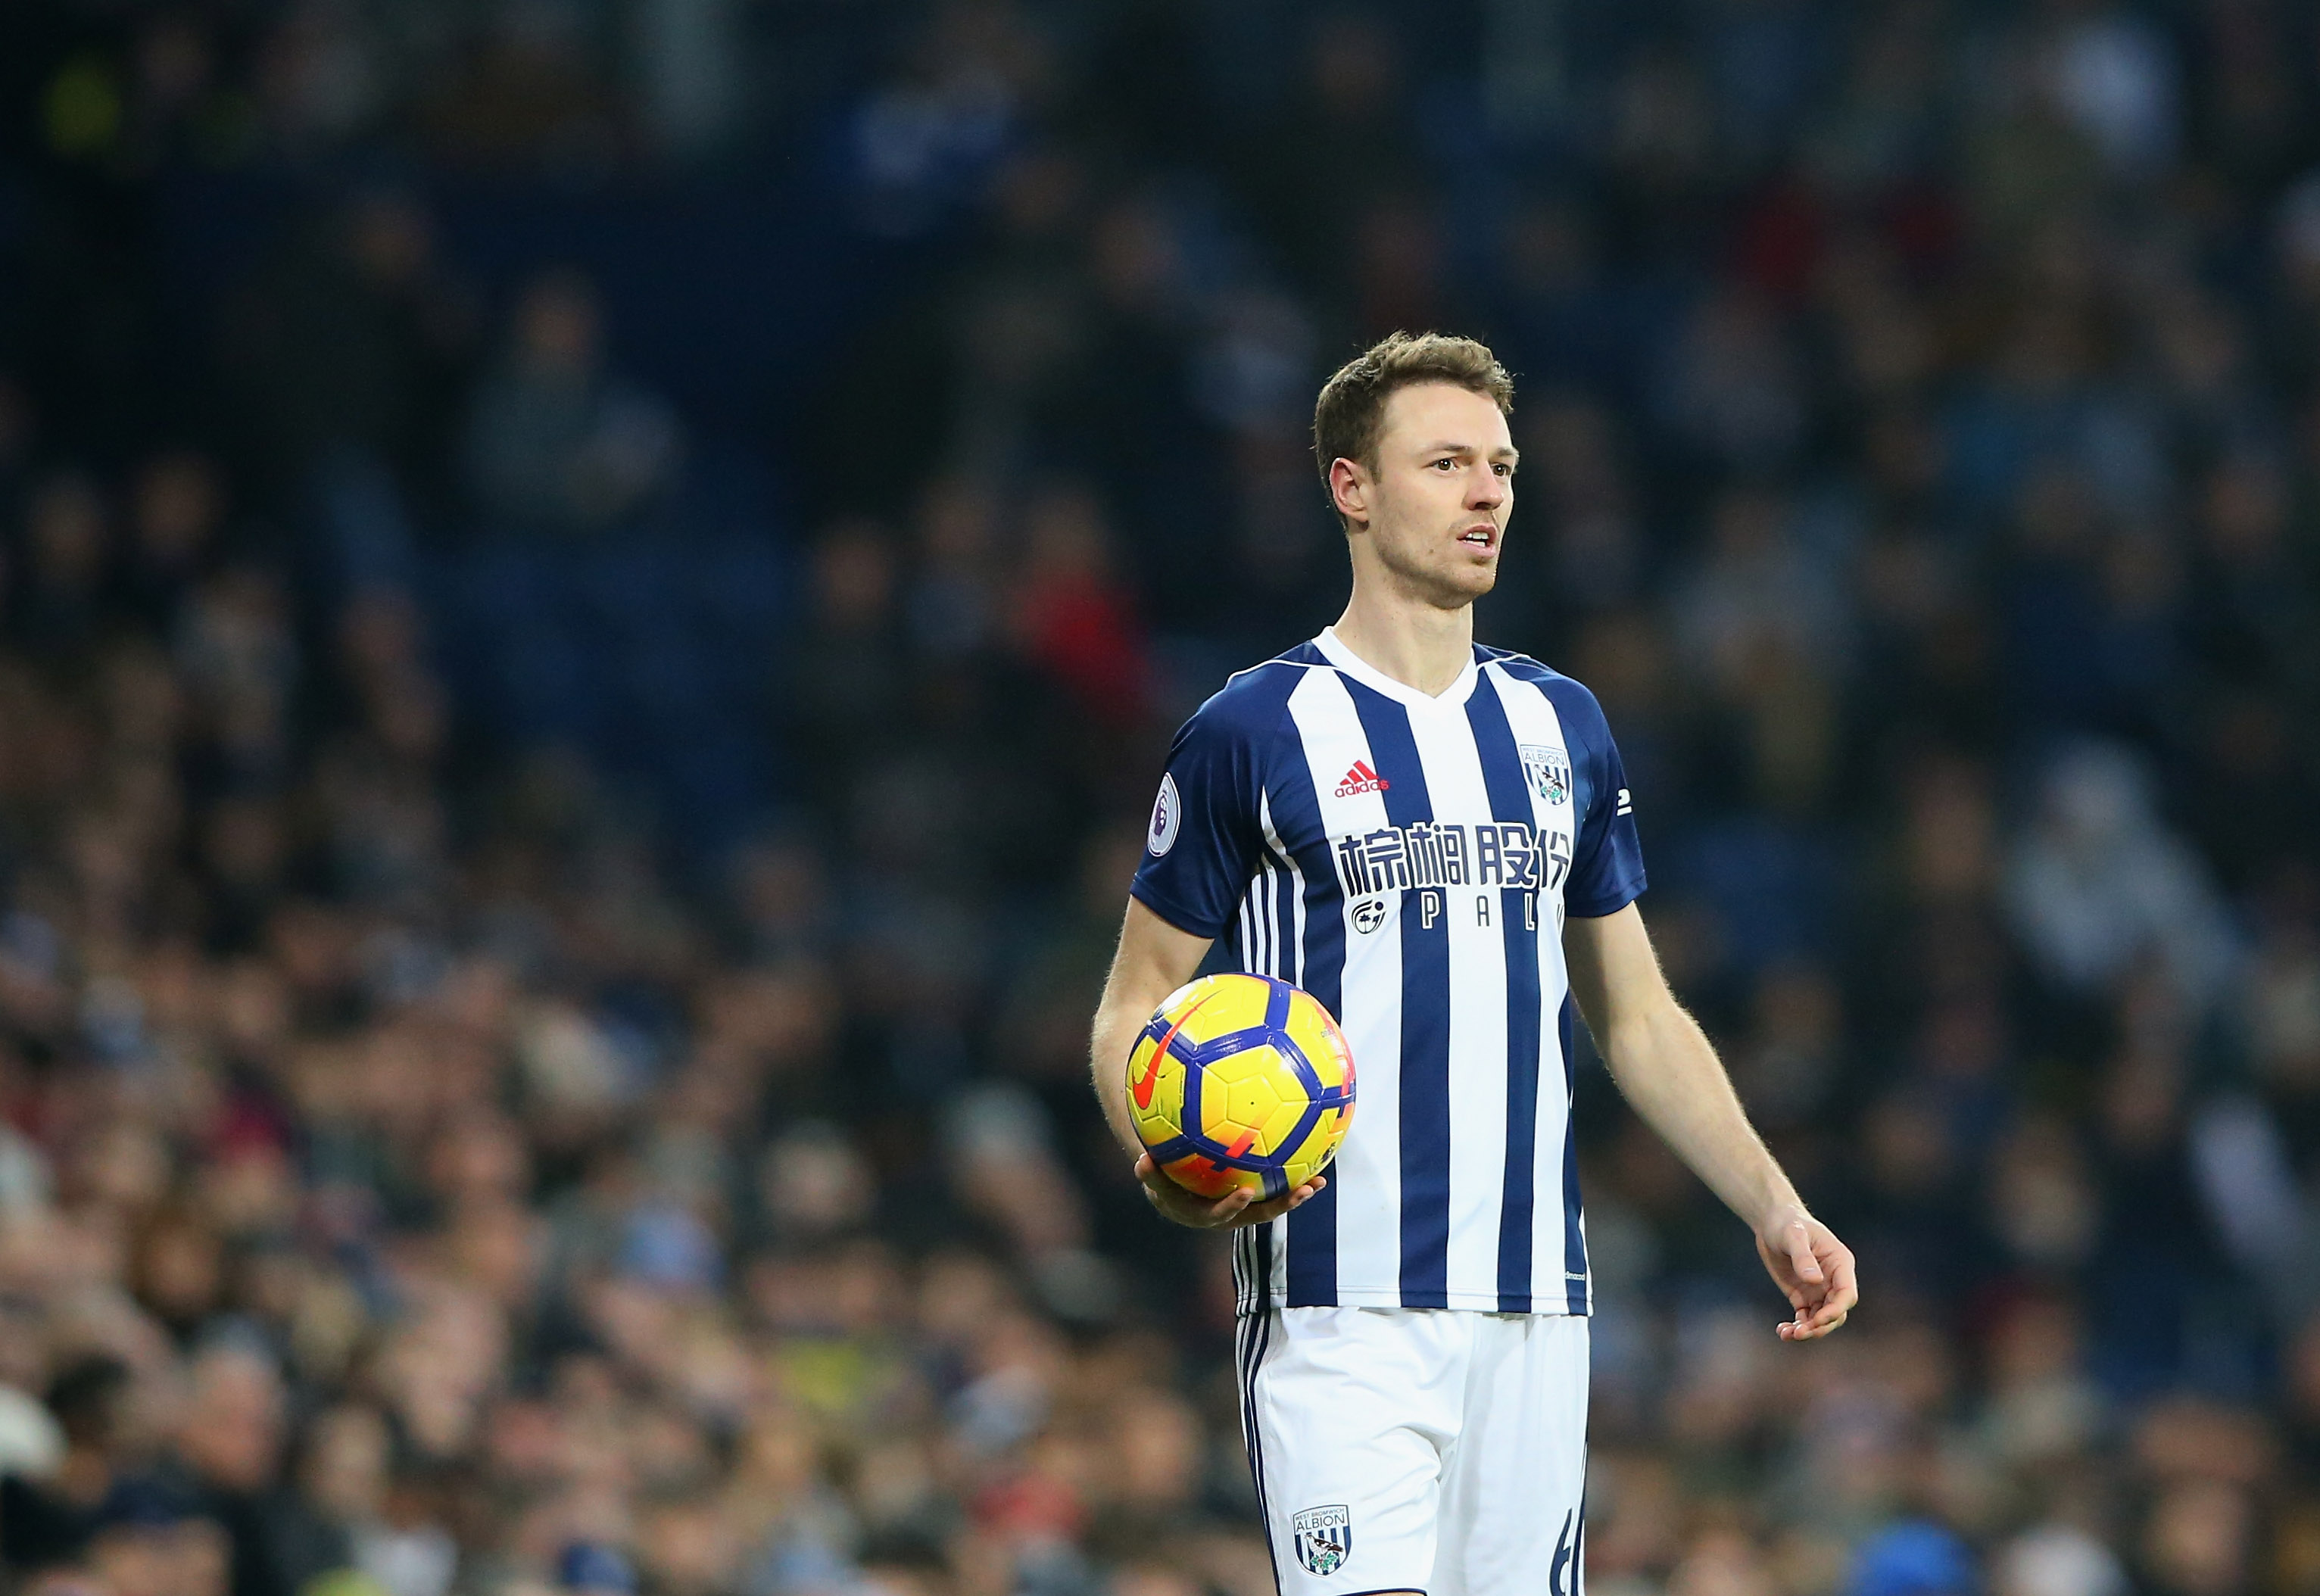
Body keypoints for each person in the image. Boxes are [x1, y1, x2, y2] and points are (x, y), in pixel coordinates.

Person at [1087, 332, 1859, 1596]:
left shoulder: (1562, 724)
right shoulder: (1252, 730)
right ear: (1352, 488)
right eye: (1446, 463)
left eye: (1500, 466)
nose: (1488, 492)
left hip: (1537, 1313)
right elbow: (1132, 1005)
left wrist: (1775, 1203)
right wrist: (1164, 1155)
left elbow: (1639, 1014)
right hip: (1340, 1307)